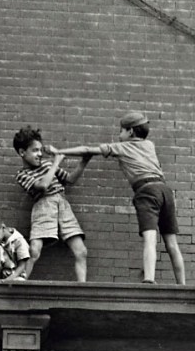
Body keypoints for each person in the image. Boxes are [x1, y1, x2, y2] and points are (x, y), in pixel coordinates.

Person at [50, 110, 185, 285]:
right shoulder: (149, 145)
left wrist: (59, 151)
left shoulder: (121, 147)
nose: (118, 134)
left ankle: (149, 280)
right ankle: (182, 286)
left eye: (121, 130)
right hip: (164, 190)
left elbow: (86, 150)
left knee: (150, 238)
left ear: (130, 131)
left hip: (146, 191)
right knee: (171, 243)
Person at [13, 125, 91, 282]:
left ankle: (82, 289)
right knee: (34, 251)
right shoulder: (22, 175)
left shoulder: (48, 165)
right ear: (22, 152)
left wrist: (84, 161)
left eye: (41, 150)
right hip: (43, 206)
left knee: (81, 251)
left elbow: (69, 179)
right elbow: (42, 186)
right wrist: (56, 162)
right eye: (35, 150)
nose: (40, 154)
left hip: (62, 204)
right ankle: (20, 282)